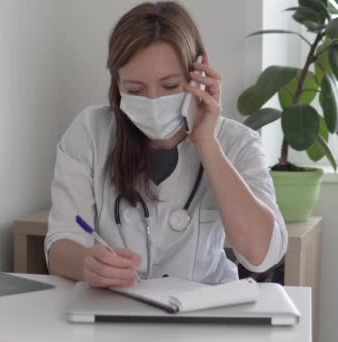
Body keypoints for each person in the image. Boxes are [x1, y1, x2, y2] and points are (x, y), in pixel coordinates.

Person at [44, 1, 287, 288]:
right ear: (117, 85)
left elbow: (262, 255)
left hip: (206, 317)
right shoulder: (89, 133)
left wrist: (207, 143)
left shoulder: (238, 143)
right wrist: (86, 263)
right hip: (117, 312)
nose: (154, 101)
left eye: (170, 86)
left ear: (198, 75)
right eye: (135, 90)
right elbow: (60, 245)